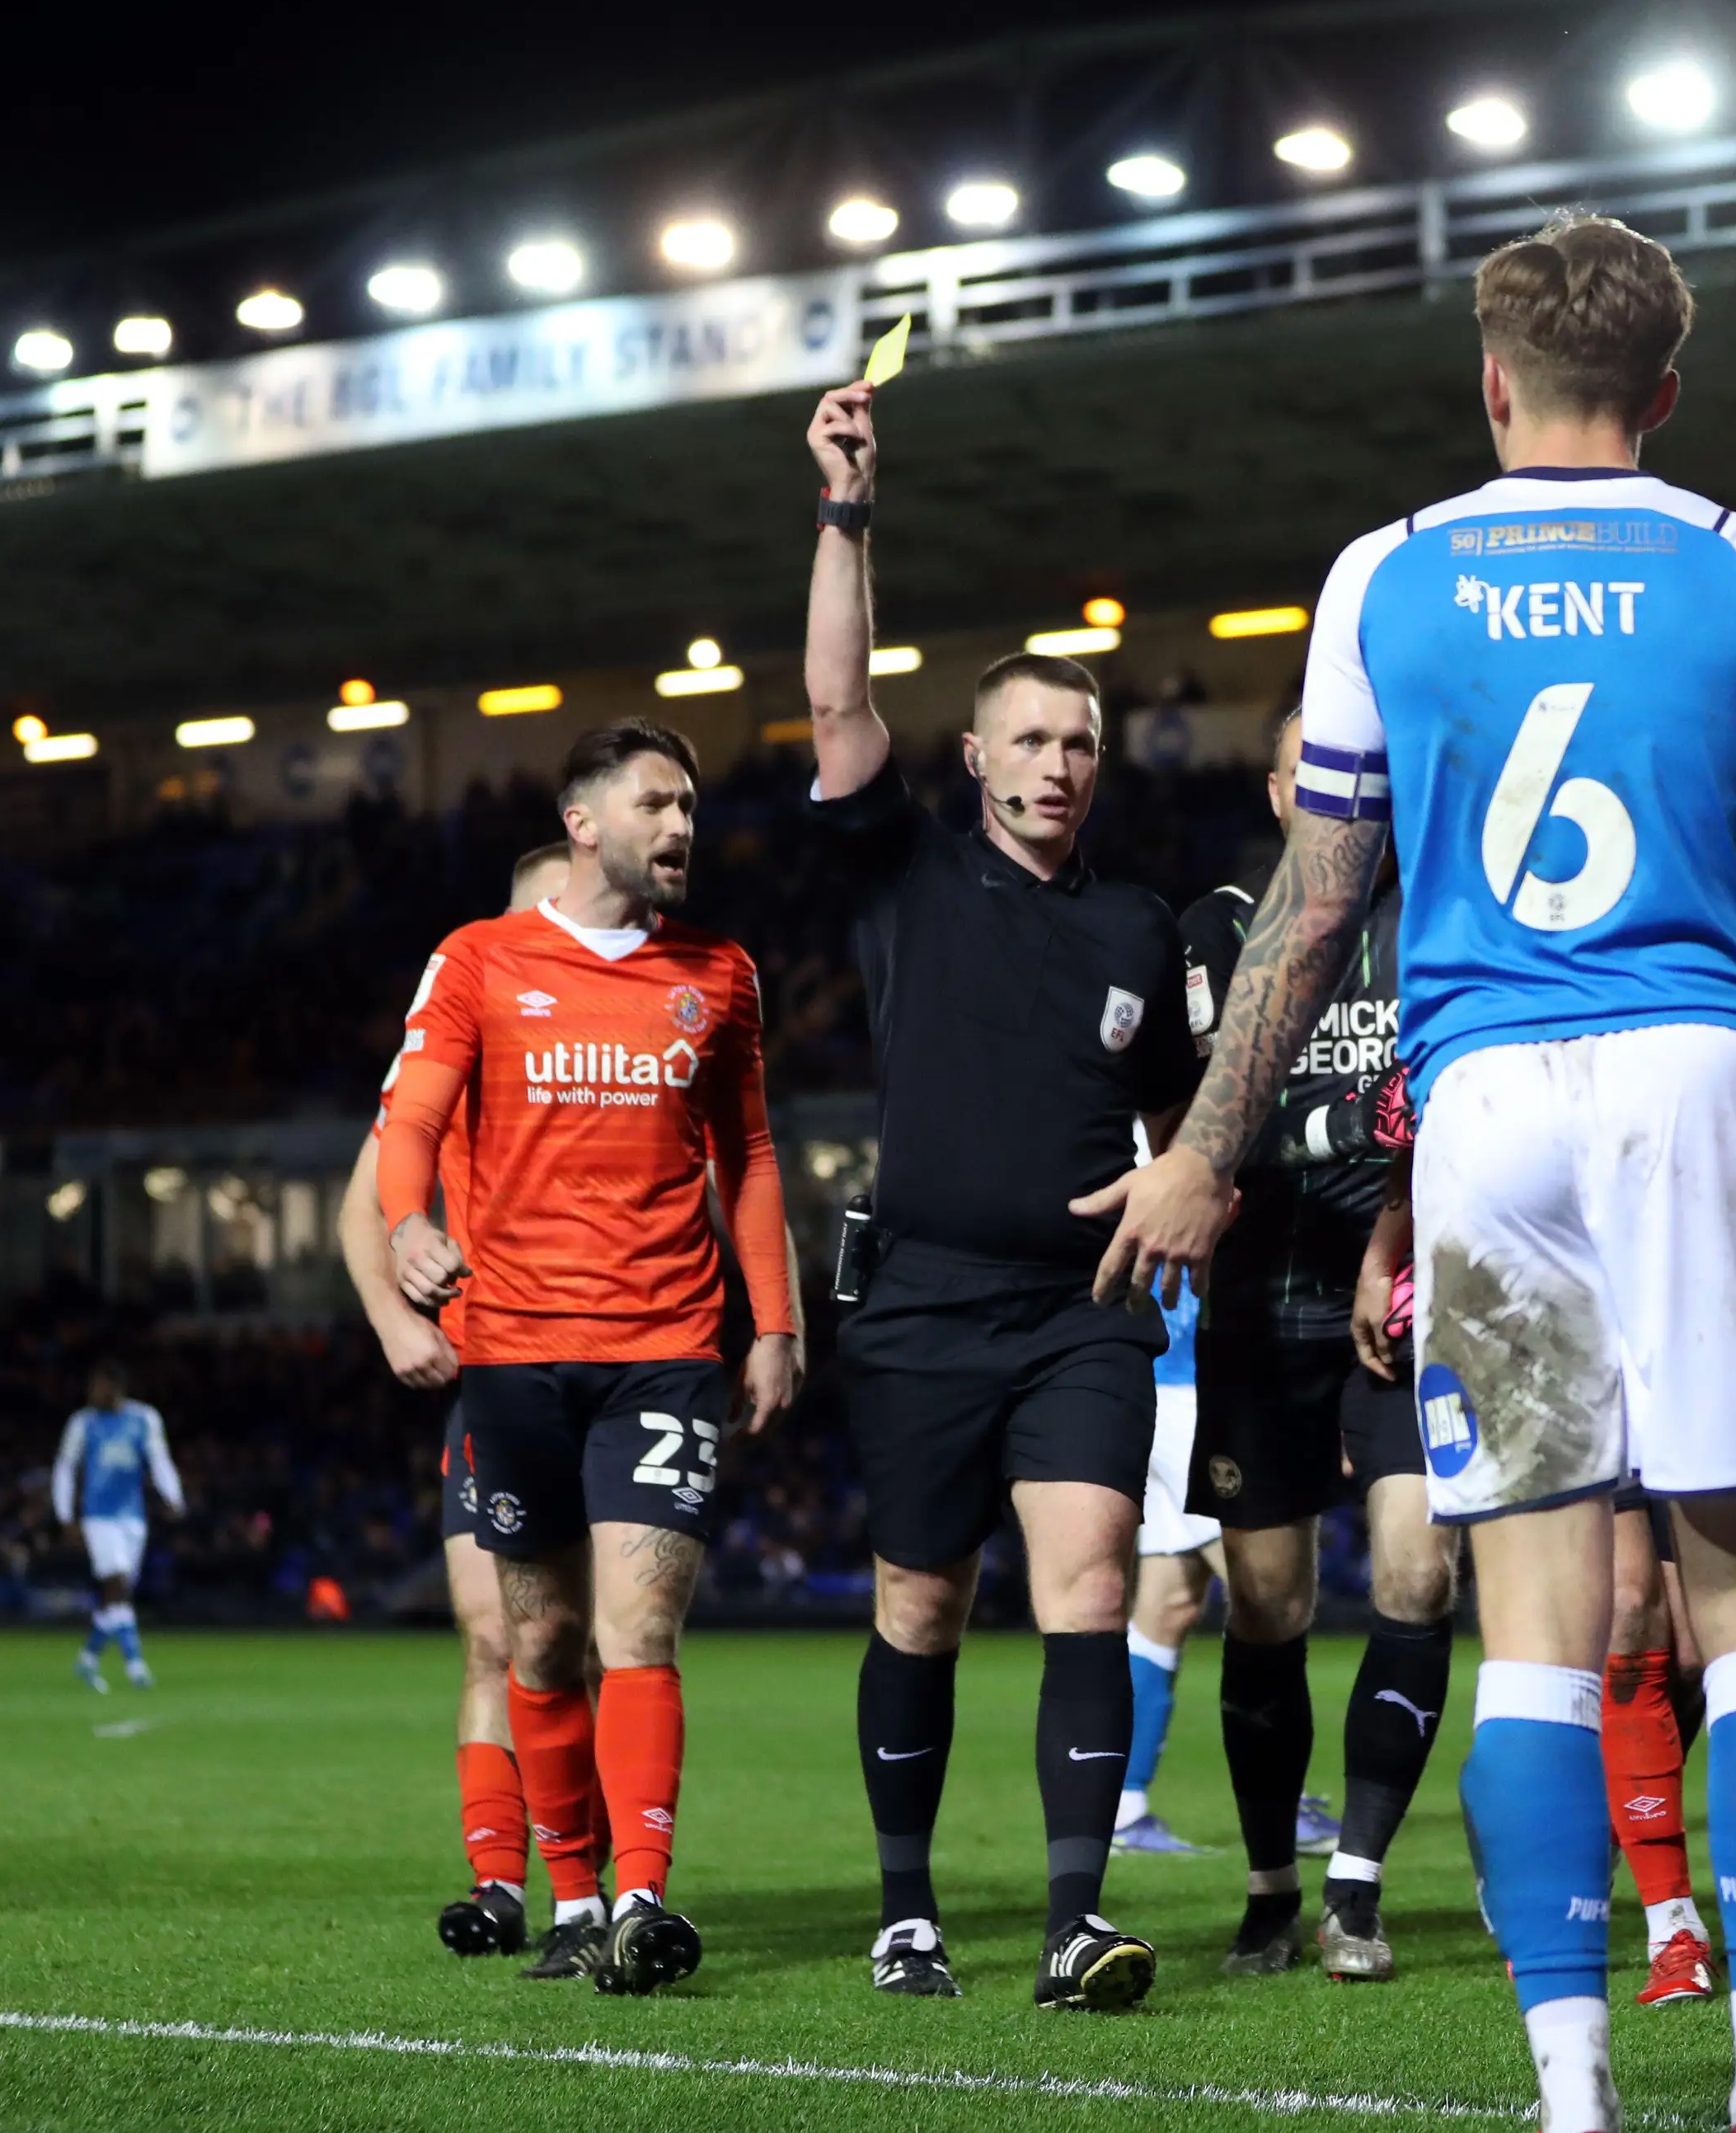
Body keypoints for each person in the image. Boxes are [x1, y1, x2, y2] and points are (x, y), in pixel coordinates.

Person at [1084, 209, 1736, 2133]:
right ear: (1661, 393)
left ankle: (1571, 2089)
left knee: (1535, 1627)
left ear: (1491, 386)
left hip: (1485, 1104)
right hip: (1688, 1071)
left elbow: (1317, 910)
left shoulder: (1381, 574)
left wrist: (1201, 1151)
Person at [798, 379, 1205, 2012]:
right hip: (917, 1299)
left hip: (1081, 1312)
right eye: (1030, 737)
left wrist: (1190, 1173)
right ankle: (906, 1909)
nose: (1058, 763)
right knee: (920, 1599)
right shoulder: (904, 868)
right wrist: (847, 510)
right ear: (973, 756)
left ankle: (1071, 1917)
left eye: (1080, 742)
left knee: (1091, 1581)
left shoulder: (1138, 923)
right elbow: (836, 705)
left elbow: (1181, 1105)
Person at [379, 717, 799, 1996]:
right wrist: (406, 1231)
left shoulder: (720, 972)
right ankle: (568, 1890)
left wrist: (773, 1320)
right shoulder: (481, 960)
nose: (684, 827)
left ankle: (641, 1899)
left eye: (691, 804)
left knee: (640, 1627)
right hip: (513, 1356)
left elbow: (755, 1158)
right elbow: (411, 1122)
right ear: (585, 822)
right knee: (544, 1642)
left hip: (665, 1350)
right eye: (658, 803)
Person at [1173, 707, 1457, 1985]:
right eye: (1327, 773)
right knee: (1270, 1604)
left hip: (1401, 1309)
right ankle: (1266, 1889)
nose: (1353, 795)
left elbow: (1454, 1097)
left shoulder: (1437, 914)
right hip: (1256, 1313)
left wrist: (1379, 1178)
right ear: (1283, 784)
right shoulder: (1222, 928)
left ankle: (1358, 1884)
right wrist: (1359, 1120)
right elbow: (1220, 1116)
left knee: (1418, 1577)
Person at [336, 841, 570, 1961]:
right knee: (493, 1635)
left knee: (587, 1641)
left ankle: (598, 1878)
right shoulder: (467, 1024)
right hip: (491, 1378)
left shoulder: (612, 1048)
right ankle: (498, 1879)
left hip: (614, 1372)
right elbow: (362, 1202)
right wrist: (394, 1319)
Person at [1605, 865, 1736, 2009]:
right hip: (1584, 1265)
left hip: (1705, 1268)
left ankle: (1626, 1834)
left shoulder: (1735, 876)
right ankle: (1672, 1926)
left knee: (1693, 1650)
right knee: (1628, 1607)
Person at [1115, 1274, 1222, 1857]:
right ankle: (1280, 1800)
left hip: (1152, 1381)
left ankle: (1124, 1811)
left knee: (1168, 1605)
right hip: (1189, 1385)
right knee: (1268, 1593)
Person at [53, 1361, 184, 1691]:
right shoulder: (83, 1423)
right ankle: (135, 1665)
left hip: (133, 1517)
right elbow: (65, 1469)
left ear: (115, 1387)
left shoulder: (144, 1419)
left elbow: (159, 1460)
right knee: (117, 1583)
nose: (92, 1393)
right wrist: (65, 1516)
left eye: (98, 1386)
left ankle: (88, 1659)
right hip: (98, 1516)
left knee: (120, 1594)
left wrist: (173, 1495)